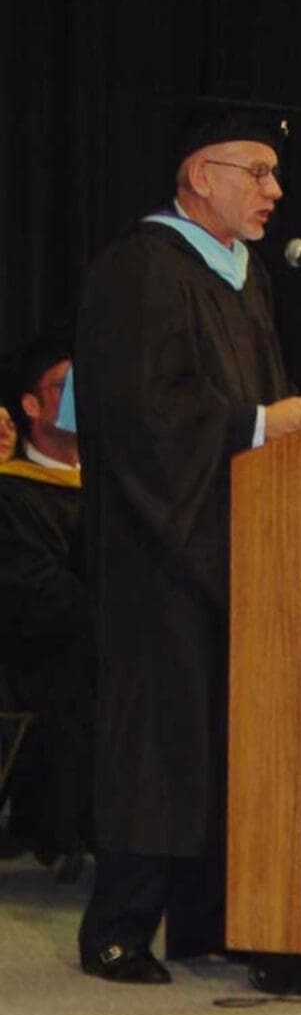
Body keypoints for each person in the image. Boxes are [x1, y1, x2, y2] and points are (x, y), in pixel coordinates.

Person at [74, 97, 301, 985]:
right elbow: (142, 413)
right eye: (256, 171)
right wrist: (260, 422)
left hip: (234, 543)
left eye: (272, 173)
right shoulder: (141, 270)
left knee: (229, 736)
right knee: (161, 739)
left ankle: (212, 922)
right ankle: (117, 929)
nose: (274, 190)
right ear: (198, 176)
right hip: (158, 549)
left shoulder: (244, 275)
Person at [0, 337, 94, 877]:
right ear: (30, 406)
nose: (84, 399)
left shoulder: (117, 483)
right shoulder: (12, 492)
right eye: (67, 388)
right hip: (41, 656)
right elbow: (31, 594)